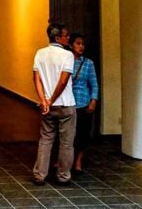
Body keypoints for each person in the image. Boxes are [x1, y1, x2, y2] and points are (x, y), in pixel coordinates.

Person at [32, 22, 76, 186]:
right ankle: (63, 175)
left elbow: (36, 79)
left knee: (45, 139)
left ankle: (39, 174)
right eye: (66, 35)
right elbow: (63, 81)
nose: (68, 37)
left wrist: (44, 100)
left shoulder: (40, 53)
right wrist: (51, 99)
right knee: (66, 143)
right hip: (65, 104)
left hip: (47, 107)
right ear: (58, 38)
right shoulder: (67, 55)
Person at [68, 33, 99, 173]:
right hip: (68, 102)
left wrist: (93, 100)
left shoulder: (88, 63)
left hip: (83, 102)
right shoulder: (65, 61)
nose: (81, 47)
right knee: (67, 133)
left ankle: (78, 160)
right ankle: (63, 159)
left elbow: (94, 84)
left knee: (83, 133)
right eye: (78, 43)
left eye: (83, 44)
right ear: (71, 45)